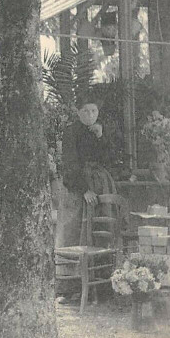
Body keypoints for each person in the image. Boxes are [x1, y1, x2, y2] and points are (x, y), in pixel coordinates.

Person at [57, 95, 118, 302]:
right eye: (86, 111)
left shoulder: (98, 131)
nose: (90, 115)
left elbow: (109, 159)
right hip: (78, 189)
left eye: (94, 111)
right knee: (75, 231)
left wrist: (101, 137)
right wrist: (83, 189)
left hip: (100, 186)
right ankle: (69, 287)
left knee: (99, 232)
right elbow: (70, 164)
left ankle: (99, 286)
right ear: (78, 112)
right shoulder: (71, 132)